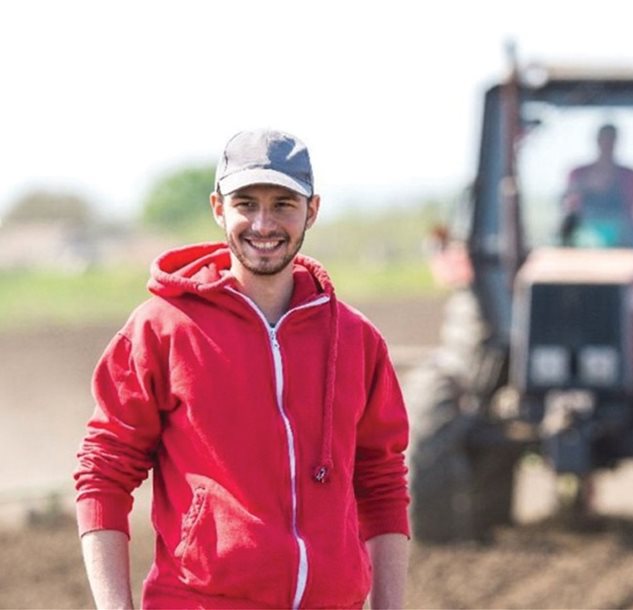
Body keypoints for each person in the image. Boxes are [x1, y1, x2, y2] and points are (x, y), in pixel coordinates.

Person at [74, 129, 410, 609]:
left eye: (283, 204)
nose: (263, 223)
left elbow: (381, 483)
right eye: (246, 203)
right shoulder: (162, 329)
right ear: (218, 208)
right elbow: (103, 473)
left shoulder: (357, 341)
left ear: (312, 211)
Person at [561, 123, 633, 249]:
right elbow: (567, 204)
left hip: (626, 248)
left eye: (611, 140)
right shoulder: (578, 174)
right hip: (585, 247)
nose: (607, 145)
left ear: (617, 142)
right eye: (604, 140)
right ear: (597, 141)